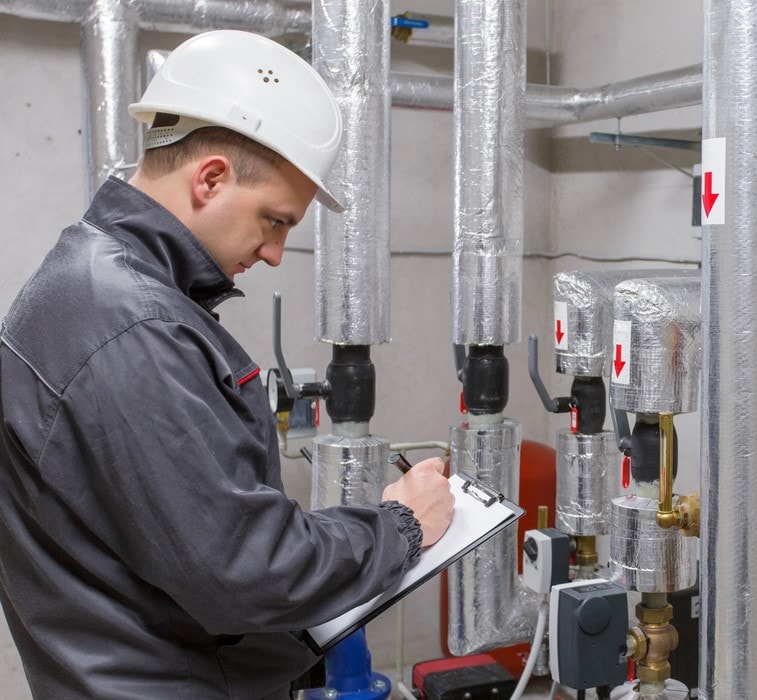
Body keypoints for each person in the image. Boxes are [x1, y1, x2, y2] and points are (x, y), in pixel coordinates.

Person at [0, 30, 453, 698]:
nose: (274, 253)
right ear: (210, 177)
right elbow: (246, 569)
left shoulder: (90, 283)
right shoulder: (133, 326)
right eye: (274, 221)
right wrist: (401, 527)